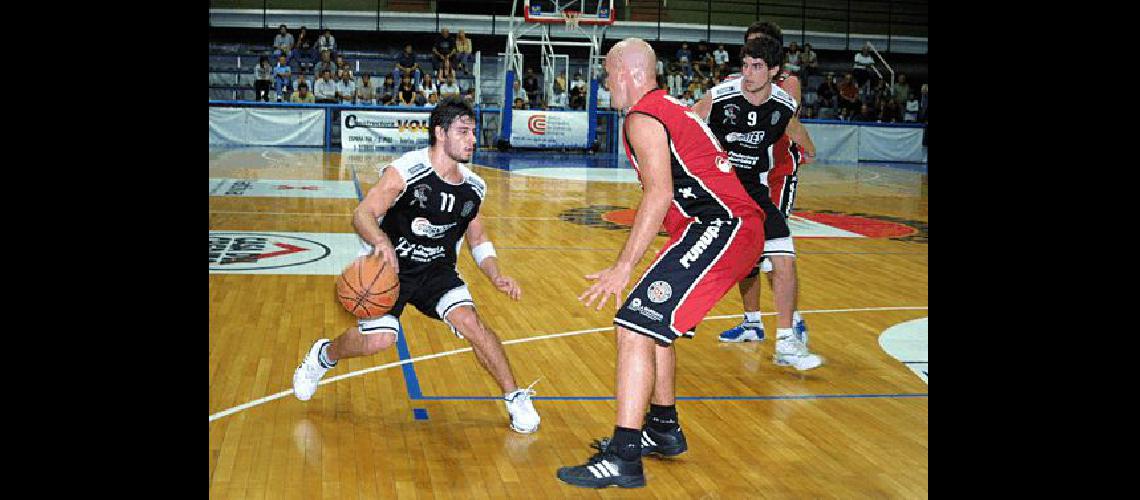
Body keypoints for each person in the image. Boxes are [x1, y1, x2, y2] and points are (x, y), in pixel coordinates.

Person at [556, 37, 765, 489]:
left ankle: (624, 456)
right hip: (716, 227)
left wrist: (623, 265)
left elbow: (659, 192)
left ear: (630, 74)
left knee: (633, 324)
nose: (605, 85)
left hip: (723, 226)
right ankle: (664, 428)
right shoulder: (669, 107)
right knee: (652, 322)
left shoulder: (643, 116)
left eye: (609, 75)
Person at [293, 96, 541, 434]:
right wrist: (381, 242)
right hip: (388, 271)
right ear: (440, 133)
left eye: (474, 132)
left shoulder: (473, 187)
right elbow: (362, 214)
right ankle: (325, 355)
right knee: (379, 340)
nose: (472, 140)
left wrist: (496, 274)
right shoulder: (407, 171)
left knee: (471, 323)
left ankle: (515, 397)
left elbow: (477, 237)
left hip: (436, 271)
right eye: (463, 132)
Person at [695, 22, 818, 357]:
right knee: (746, 256)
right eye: (745, 62)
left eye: (757, 63)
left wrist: (809, 148)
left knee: (779, 254)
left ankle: (787, 332)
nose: (748, 71)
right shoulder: (723, 95)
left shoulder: (784, 94)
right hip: (725, 188)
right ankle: (752, 320)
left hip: (767, 182)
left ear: (774, 66)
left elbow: (791, 124)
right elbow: (689, 125)